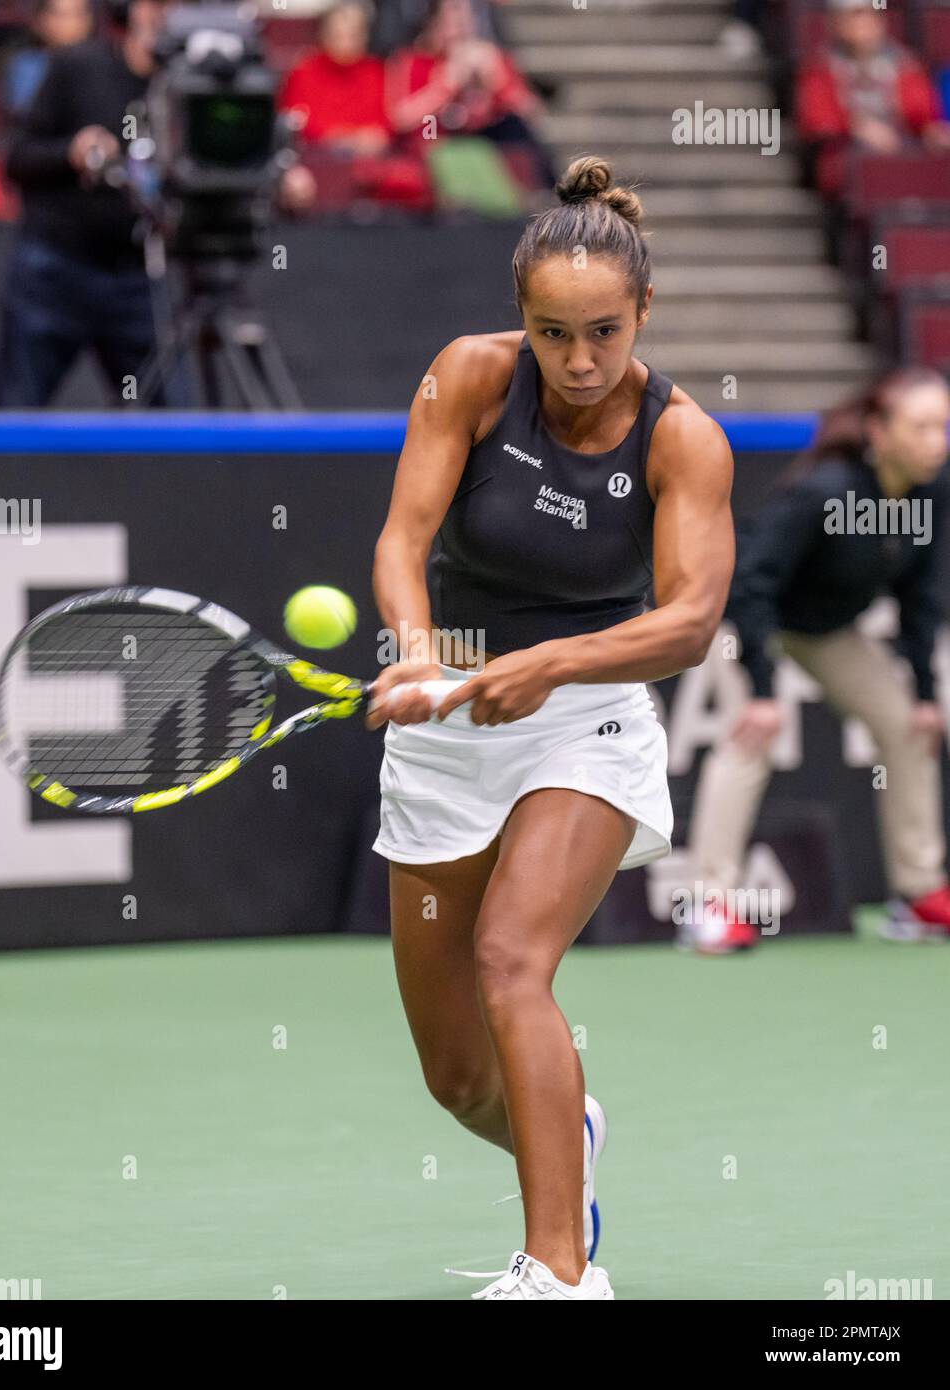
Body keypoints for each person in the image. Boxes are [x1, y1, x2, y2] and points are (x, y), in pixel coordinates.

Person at [363, 154, 736, 1299]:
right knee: (455, 1073)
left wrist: (553, 662)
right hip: (447, 728)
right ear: (519, 317)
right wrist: (418, 651)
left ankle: (559, 1271)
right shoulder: (467, 379)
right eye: (552, 333)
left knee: (510, 962)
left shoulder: (683, 443)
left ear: (644, 314)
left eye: (605, 333)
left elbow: (688, 623)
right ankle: (565, 1129)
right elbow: (400, 540)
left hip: (587, 724)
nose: (579, 362)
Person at [684, 367, 950, 954]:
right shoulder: (824, 490)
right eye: (924, 426)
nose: (939, 440)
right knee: (750, 735)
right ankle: (708, 903)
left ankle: (918, 893)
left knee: (911, 729)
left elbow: (921, 598)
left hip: (827, 631)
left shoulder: (933, 490)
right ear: (880, 431)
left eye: (943, 426)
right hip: (754, 617)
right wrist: (759, 688)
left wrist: (928, 694)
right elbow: (752, 582)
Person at [0, 0, 171, 407]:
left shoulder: (191, 88)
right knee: (11, 420)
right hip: (55, 272)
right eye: (156, 3)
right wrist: (70, 151)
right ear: (133, 9)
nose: (165, 15)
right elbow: (17, 158)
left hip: (139, 280)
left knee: (173, 427)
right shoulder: (78, 66)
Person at [385, 0, 553, 188]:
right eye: (455, 18)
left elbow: (531, 110)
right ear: (434, 22)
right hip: (435, 145)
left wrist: (497, 80)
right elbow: (400, 117)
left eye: (468, 18)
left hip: (485, 146)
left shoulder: (489, 58)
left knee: (516, 131)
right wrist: (446, 84)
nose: (463, 25)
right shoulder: (414, 60)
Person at [796, 0, 950, 202]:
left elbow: (922, 114)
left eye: (868, 16)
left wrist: (931, 130)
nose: (862, 24)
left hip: (902, 146)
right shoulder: (820, 69)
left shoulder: (905, 65)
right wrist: (858, 127)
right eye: (854, 17)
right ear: (836, 23)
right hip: (850, 153)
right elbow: (817, 120)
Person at [277, 2, 391, 156]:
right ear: (324, 35)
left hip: (365, 160)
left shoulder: (374, 71)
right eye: (338, 35)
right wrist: (338, 138)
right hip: (314, 157)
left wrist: (365, 138)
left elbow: (382, 125)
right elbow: (295, 121)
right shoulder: (304, 71)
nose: (345, 43)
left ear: (365, 36)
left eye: (352, 35)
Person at [4, 0, 98, 117]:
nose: (68, 23)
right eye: (60, 15)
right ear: (41, 20)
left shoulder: (104, 65)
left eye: (77, 13)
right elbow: (24, 115)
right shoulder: (26, 65)